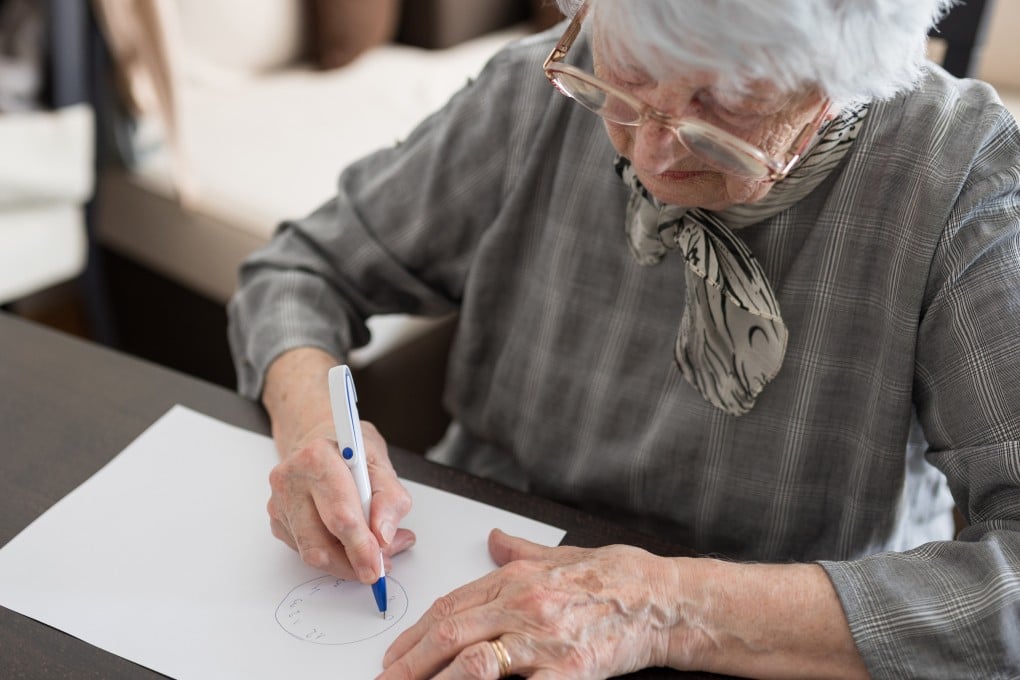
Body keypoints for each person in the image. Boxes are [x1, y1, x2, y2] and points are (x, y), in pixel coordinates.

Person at [227, 0, 1020, 676]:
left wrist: (666, 608)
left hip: (770, 649)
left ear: (840, 87)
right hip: (466, 580)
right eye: (626, 80)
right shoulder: (530, 89)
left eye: (725, 109)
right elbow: (301, 270)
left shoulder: (960, 183)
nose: (648, 154)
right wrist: (312, 432)